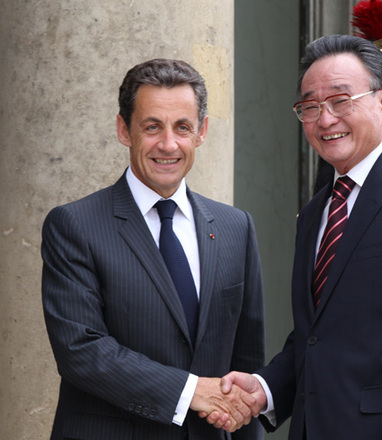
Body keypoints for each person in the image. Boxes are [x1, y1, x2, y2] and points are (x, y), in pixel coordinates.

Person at [206, 34, 382, 440]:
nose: (325, 119)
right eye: (310, 107)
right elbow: (316, 338)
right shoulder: (317, 210)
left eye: (340, 101)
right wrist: (263, 390)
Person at [41, 58, 265, 440]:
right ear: (123, 129)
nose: (168, 144)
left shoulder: (235, 227)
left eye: (182, 127)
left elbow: (243, 366)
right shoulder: (74, 225)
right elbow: (81, 351)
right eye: (152, 127)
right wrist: (191, 391)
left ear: (202, 132)